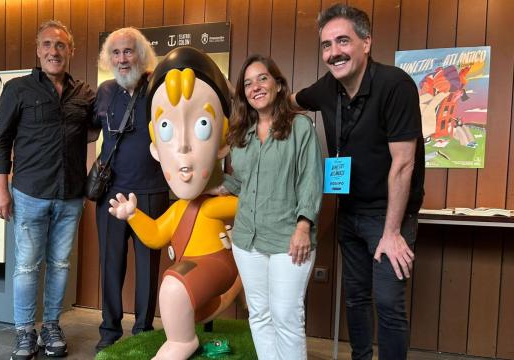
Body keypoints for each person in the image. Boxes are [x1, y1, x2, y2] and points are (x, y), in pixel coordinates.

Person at [290, 4, 425, 360]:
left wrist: (392, 232)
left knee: (387, 302)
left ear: (366, 43)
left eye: (343, 41)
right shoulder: (326, 89)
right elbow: (288, 102)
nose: (333, 52)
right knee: (356, 298)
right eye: (326, 45)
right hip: (349, 213)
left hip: (389, 216)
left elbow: (403, 163)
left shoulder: (395, 85)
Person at [108, 46, 242, 360]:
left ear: (223, 142)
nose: (182, 147)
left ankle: (182, 341)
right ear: (155, 148)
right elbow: (155, 235)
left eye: (202, 126)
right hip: (194, 274)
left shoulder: (216, 204)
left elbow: (253, 208)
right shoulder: (180, 208)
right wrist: (132, 214)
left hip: (217, 267)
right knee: (175, 285)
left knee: (173, 285)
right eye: (166, 129)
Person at [0, 20, 95, 360]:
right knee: (26, 267)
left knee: (60, 264)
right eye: (47, 44)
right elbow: (1, 142)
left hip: (71, 196)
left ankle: (50, 325)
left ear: (71, 51)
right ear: (37, 50)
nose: (54, 51)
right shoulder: (18, 89)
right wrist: (0, 190)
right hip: (28, 194)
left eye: (61, 45)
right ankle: (24, 331)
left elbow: (95, 131)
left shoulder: (85, 94)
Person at [211, 54, 323, 360]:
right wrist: (214, 185)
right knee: (259, 314)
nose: (255, 87)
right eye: (247, 83)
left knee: (286, 315)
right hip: (247, 239)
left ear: (278, 84)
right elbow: (244, 183)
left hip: (290, 239)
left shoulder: (301, 128)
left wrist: (303, 227)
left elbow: (311, 181)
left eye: (262, 78)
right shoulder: (240, 135)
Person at [90, 27, 170, 353]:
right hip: (112, 193)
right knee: (111, 265)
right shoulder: (105, 90)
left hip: (151, 192)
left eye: (128, 51)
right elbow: (86, 130)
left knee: (148, 269)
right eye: (116, 53)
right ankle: (109, 333)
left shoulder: (158, 87)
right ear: (109, 59)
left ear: (141, 54)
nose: (122, 59)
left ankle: (142, 332)